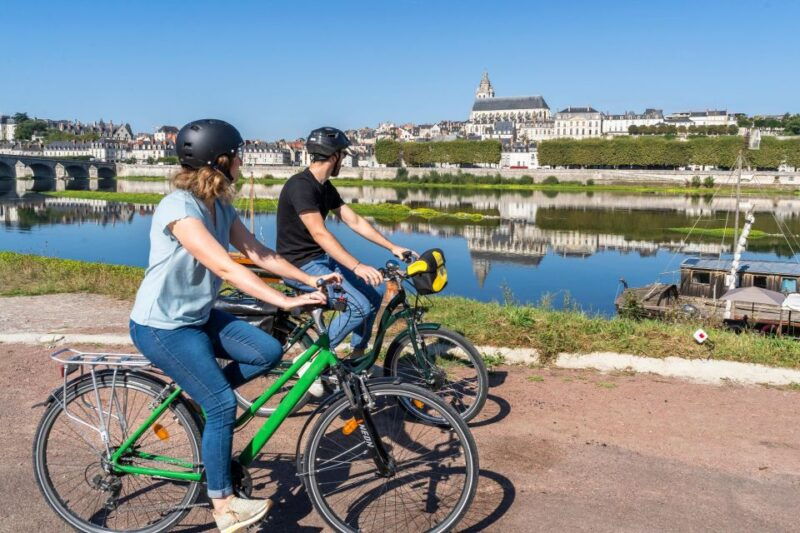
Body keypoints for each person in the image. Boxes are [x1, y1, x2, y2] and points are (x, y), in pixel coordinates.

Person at [129, 119, 340, 533]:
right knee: (223, 404)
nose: (242, 161)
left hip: (200, 317)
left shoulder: (220, 206)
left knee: (268, 351)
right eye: (238, 154)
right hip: (162, 326)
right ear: (220, 160)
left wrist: (308, 280)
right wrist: (283, 300)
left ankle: (204, 397)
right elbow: (224, 265)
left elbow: (258, 252)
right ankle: (224, 506)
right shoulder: (178, 206)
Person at [277, 127, 414, 357]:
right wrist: (357, 266)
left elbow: (354, 220)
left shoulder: (324, 187)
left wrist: (392, 247)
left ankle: (356, 357)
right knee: (358, 307)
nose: (344, 161)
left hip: (319, 260)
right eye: (343, 155)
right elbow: (320, 234)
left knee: (374, 291)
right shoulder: (301, 186)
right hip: (298, 265)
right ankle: (312, 359)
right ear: (333, 156)